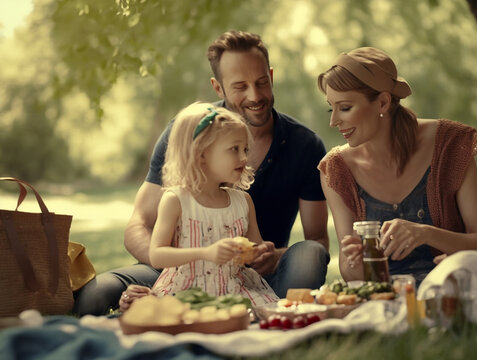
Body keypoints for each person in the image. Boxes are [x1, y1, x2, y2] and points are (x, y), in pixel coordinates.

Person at [73, 31, 329, 315]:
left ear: (271, 76)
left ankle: (263, 310)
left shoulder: (304, 145)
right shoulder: (187, 132)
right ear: (217, 88)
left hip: (248, 276)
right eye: (240, 86)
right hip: (175, 271)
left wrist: (270, 256)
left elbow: (318, 239)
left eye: (261, 82)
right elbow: (138, 226)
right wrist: (182, 268)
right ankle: (184, 306)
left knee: (310, 254)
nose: (255, 96)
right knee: (94, 297)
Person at [317, 47, 477, 285]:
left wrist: (425, 233)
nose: (333, 121)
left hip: (453, 292)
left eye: (345, 108)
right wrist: (355, 260)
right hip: (385, 300)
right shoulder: (337, 170)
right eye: (332, 108)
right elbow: (352, 275)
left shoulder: (450, 144)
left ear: (382, 102)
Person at [118, 103, 279, 311]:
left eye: (245, 149)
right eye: (234, 149)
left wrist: (262, 251)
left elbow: (255, 247)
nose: (244, 158)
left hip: (234, 290)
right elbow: (157, 255)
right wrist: (206, 253)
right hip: (185, 292)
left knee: (262, 318)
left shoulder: (243, 201)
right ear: (201, 154)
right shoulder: (175, 200)